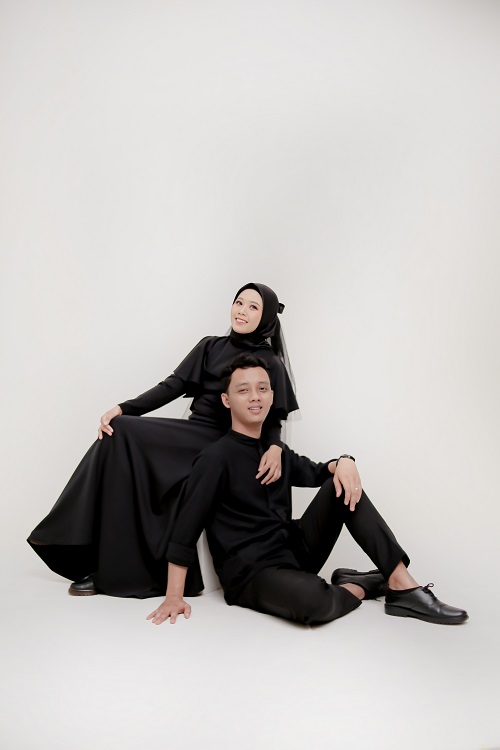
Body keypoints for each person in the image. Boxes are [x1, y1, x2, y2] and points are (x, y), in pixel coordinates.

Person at [148, 354, 468, 626]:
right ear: (227, 400)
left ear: (272, 396)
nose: (255, 396)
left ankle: (401, 584)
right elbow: (185, 528)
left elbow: (318, 472)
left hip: (293, 552)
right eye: (244, 390)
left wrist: (345, 460)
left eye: (262, 388)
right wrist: (174, 596)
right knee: (315, 602)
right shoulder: (215, 459)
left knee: (340, 484)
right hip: (253, 574)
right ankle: (365, 586)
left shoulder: (277, 452)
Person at [28, 284, 298, 599]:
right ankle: (79, 549)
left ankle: (124, 572)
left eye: (253, 307)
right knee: (118, 431)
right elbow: (172, 385)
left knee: (126, 436)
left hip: (223, 443)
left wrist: (275, 447)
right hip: (192, 432)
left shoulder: (270, 362)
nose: (242, 311)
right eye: (239, 302)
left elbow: (274, 416)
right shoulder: (210, 345)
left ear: (266, 316)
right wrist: (124, 408)